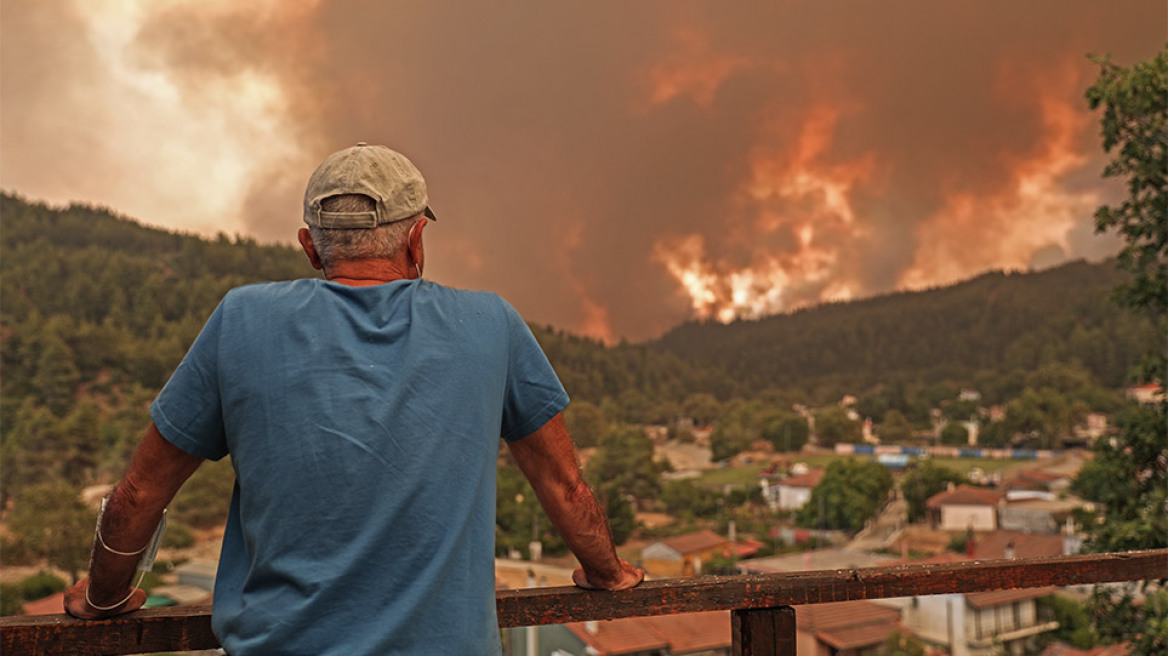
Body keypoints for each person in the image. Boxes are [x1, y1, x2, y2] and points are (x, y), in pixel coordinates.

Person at [63, 143, 643, 654]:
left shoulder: (243, 319)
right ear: (417, 239)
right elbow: (565, 486)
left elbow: (139, 493)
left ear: (310, 248)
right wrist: (608, 573)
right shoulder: (490, 323)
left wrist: (104, 597)